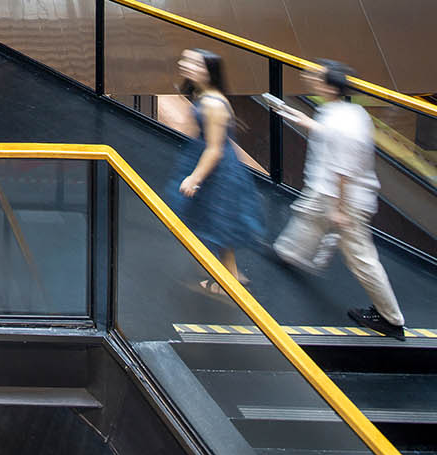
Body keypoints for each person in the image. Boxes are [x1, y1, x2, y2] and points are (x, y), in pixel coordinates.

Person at [272, 60, 407, 339]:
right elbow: (332, 138)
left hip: (345, 199)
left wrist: (339, 209)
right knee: (309, 217)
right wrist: (304, 120)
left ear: (330, 86)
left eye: (316, 76)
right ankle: (288, 252)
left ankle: (391, 319)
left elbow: (343, 170)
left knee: (360, 258)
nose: (309, 77)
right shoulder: (345, 111)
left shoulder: (343, 121)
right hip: (327, 191)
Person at [168, 49, 265, 290]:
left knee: (217, 221)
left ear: (208, 71)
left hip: (217, 171)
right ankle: (229, 275)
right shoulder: (204, 94)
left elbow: (215, 149)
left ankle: (228, 282)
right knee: (215, 221)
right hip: (209, 164)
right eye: (186, 60)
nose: (185, 65)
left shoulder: (212, 103)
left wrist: (195, 178)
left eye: (194, 63)